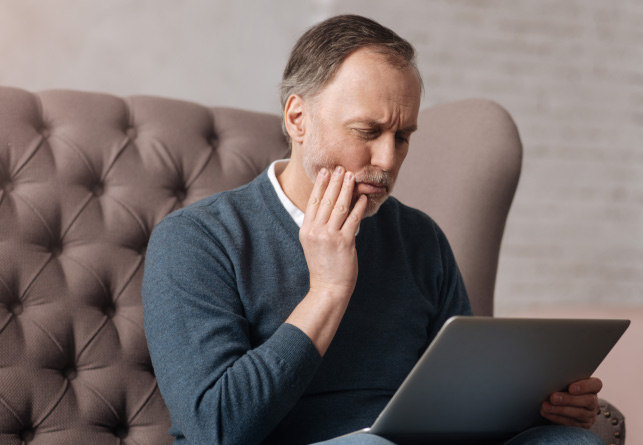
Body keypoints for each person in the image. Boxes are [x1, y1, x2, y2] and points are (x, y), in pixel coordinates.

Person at [142, 14, 604, 445]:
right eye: (367, 131)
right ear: (297, 119)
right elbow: (217, 427)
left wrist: (540, 408)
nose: (387, 160)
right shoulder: (196, 240)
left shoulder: (420, 239)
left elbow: (463, 397)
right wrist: (327, 290)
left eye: (402, 137)